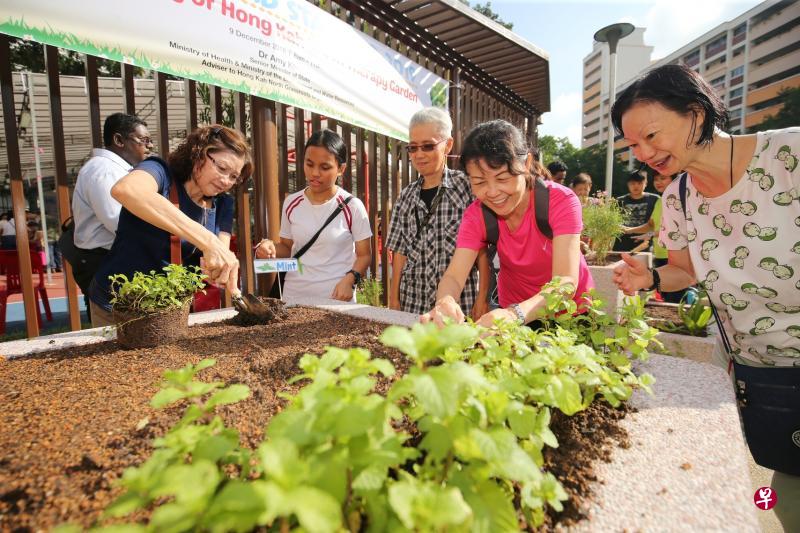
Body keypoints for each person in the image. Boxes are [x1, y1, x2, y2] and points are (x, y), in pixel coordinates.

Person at [610, 63, 799, 530]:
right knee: (786, 486)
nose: (644, 153)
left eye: (651, 136)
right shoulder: (678, 197)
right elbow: (684, 270)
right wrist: (649, 279)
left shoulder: (789, 154)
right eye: (633, 145)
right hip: (763, 370)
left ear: (696, 114)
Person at [421, 120, 594, 328]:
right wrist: (445, 302)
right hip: (516, 312)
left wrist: (514, 314)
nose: (492, 192)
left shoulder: (560, 201)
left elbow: (566, 282)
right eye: (479, 182)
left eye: (503, 178)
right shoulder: (476, 215)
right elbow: (454, 276)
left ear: (527, 164)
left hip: (572, 313)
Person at [88, 125, 247, 327]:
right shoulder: (159, 171)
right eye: (222, 168)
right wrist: (207, 241)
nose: (226, 181)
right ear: (198, 154)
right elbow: (126, 190)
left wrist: (218, 269)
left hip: (170, 309)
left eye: (234, 176)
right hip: (118, 304)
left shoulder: (223, 203)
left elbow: (218, 253)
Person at [386, 107, 488, 316]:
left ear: (448, 145)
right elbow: (399, 252)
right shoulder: (405, 197)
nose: (419, 154)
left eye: (428, 146)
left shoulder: (468, 189)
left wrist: (483, 297)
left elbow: (483, 249)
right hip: (412, 301)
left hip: (459, 304)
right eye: (413, 148)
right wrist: (394, 298)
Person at [254, 129, 371, 302]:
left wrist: (350, 279)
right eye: (309, 164)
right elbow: (286, 248)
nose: (315, 173)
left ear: (341, 169)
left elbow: (364, 255)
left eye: (325, 167)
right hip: (294, 296)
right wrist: (268, 247)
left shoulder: (352, 206)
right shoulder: (292, 203)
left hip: (336, 298)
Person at [70, 113, 152, 312]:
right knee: (114, 326)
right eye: (144, 140)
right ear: (118, 140)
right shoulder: (104, 170)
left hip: (110, 257)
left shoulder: (115, 169)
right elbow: (119, 222)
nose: (149, 146)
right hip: (102, 261)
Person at [621, 173, 684, 303]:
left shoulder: (676, 198)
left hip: (675, 254)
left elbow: (674, 229)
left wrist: (649, 234)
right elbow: (651, 225)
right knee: (666, 298)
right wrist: (628, 230)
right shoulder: (660, 200)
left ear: (674, 180)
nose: (658, 182)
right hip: (660, 254)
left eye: (663, 178)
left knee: (675, 300)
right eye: (656, 179)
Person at [613, 169, 658, 252]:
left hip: (644, 245)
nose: (636, 186)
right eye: (633, 183)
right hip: (621, 245)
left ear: (646, 184)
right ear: (628, 184)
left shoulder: (655, 200)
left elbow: (656, 224)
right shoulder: (619, 201)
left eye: (640, 183)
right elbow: (612, 222)